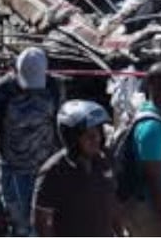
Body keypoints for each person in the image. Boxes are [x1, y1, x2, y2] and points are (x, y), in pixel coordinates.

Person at [0, 47, 62, 236]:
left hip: (47, 173)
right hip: (14, 174)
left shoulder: (55, 88)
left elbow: (60, 131)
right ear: (14, 69)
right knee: (22, 229)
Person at [32, 99, 121, 237]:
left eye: (97, 132)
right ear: (71, 138)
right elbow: (41, 222)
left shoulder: (105, 160)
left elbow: (111, 201)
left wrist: (121, 233)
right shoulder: (54, 172)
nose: (95, 138)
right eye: (88, 134)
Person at [123, 61, 161, 237]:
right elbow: (154, 182)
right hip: (152, 213)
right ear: (152, 87)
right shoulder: (152, 127)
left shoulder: (159, 119)